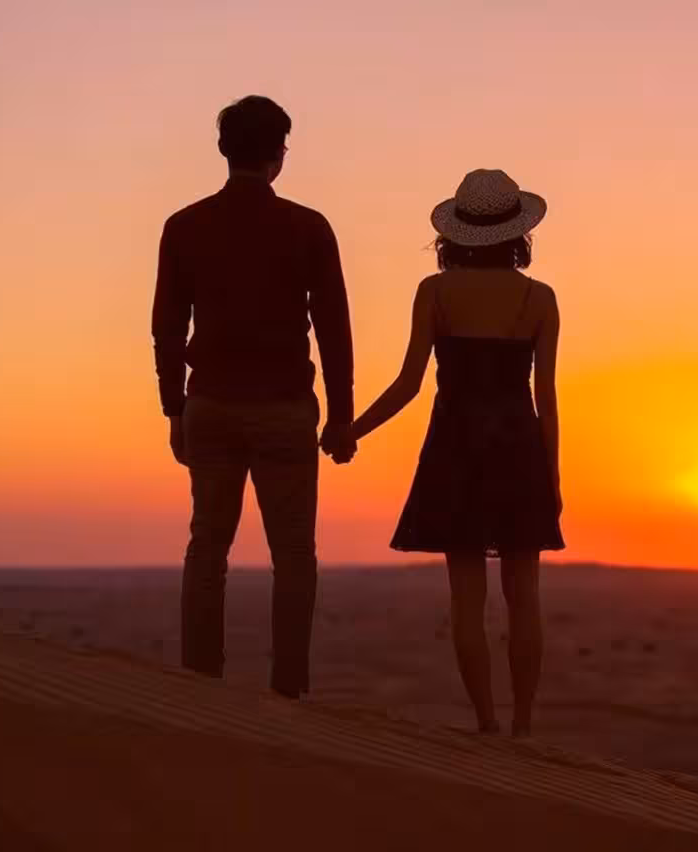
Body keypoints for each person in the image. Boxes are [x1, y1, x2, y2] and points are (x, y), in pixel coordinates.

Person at [151, 95, 356, 698]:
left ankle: (199, 683)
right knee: (294, 555)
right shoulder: (308, 227)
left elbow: (167, 325)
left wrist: (174, 406)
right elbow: (334, 328)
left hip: (210, 403)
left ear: (223, 149)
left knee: (207, 546)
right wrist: (341, 416)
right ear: (279, 155)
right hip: (285, 407)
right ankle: (289, 690)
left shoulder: (185, 226)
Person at [348, 169, 565, 736]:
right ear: (516, 233)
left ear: (458, 233)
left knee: (466, 601)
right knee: (525, 599)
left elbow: (408, 385)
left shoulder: (435, 292)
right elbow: (546, 398)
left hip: (456, 450)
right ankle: (522, 725)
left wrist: (350, 430)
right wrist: (553, 475)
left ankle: (487, 723)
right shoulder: (539, 299)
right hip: (519, 449)